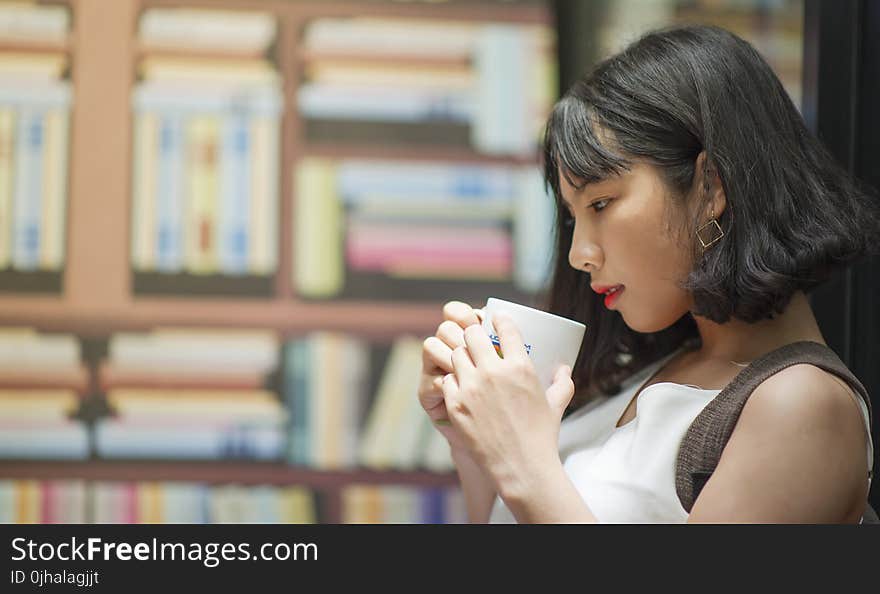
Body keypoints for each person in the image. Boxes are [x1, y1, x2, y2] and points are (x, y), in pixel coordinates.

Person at [417, 24, 880, 523]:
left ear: (710, 188)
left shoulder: (802, 406)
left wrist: (523, 465)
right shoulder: (650, 365)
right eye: (573, 217)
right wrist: (473, 443)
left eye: (601, 202)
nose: (578, 254)